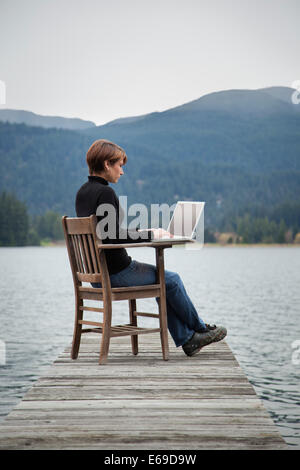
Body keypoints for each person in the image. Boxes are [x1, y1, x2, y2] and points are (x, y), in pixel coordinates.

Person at [75, 139, 227, 356]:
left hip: (96, 277)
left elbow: (106, 233)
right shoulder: (105, 193)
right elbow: (112, 237)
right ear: (107, 164)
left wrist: (146, 231)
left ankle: (189, 338)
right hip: (116, 273)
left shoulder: (82, 192)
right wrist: (150, 234)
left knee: (164, 281)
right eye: (119, 165)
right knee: (171, 280)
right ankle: (199, 330)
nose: (122, 171)